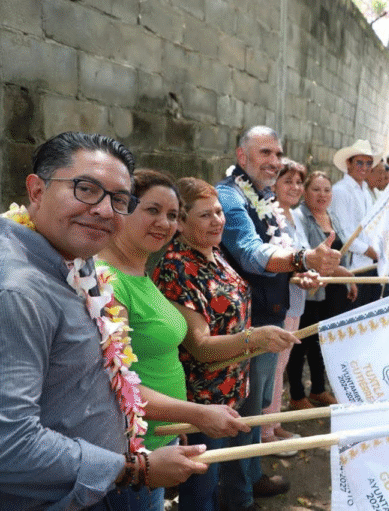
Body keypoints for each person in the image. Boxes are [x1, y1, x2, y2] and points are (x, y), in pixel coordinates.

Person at [0, 132, 208, 510]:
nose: (105, 210)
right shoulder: (19, 292)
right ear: (37, 190)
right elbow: (10, 443)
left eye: (119, 199)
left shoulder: (77, 262)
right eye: (86, 189)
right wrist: (133, 470)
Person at [98, 169, 252, 510]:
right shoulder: (108, 283)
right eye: (152, 210)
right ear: (121, 209)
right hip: (132, 451)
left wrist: (176, 423)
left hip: (161, 434)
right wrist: (196, 414)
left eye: (171, 214)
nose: (164, 223)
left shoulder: (139, 271)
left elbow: (157, 361)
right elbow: (114, 386)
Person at [153, 177, 299, 511]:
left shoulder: (215, 253)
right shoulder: (177, 268)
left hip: (235, 385)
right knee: (201, 486)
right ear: (180, 223)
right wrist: (253, 338)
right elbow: (200, 347)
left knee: (231, 468)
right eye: (205, 215)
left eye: (218, 212)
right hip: (203, 400)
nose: (217, 220)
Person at [217, 125, 341, 511]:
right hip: (244, 324)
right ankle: (238, 497)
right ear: (242, 156)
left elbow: (278, 254)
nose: (274, 161)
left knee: (256, 407)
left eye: (278, 154)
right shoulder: (229, 196)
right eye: (265, 153)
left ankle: (251, 476)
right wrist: (303, 258)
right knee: (244, 411)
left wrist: (299, 271)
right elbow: (250, 252)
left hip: (271, 315)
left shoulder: (265, 197)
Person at [290, 171, 359, 410]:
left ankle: (318, 389)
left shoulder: (332, 216)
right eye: (316, 189)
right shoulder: (299, 217)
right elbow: (309, 256)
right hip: (311, 290)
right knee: (301, 343)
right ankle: (296, 395)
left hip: (333, 291)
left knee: (322, 341)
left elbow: (341, 253)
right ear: (305, 192)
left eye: (327, 190)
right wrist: (343, 273)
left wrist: (348, 280)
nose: (322, 195)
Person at [260, 160, 307, 448]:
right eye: (288, 181)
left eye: (299, 182)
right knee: (274, 367)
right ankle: (266, 431)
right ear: (274, 184)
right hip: (280, 301)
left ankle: (274, 424)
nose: (295, 187)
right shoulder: (270, 217)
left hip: (297, 299)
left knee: (282, 365)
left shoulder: (296, 217)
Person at [329, 139, 382, 305]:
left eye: (368, 163)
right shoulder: (340, 191)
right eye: (359, 162)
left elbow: (372, 227)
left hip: (367, 265)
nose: (364, 167)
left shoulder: (365, 192)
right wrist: (368, 250)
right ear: (348, 163)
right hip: (350, 268)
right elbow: (344, 234)